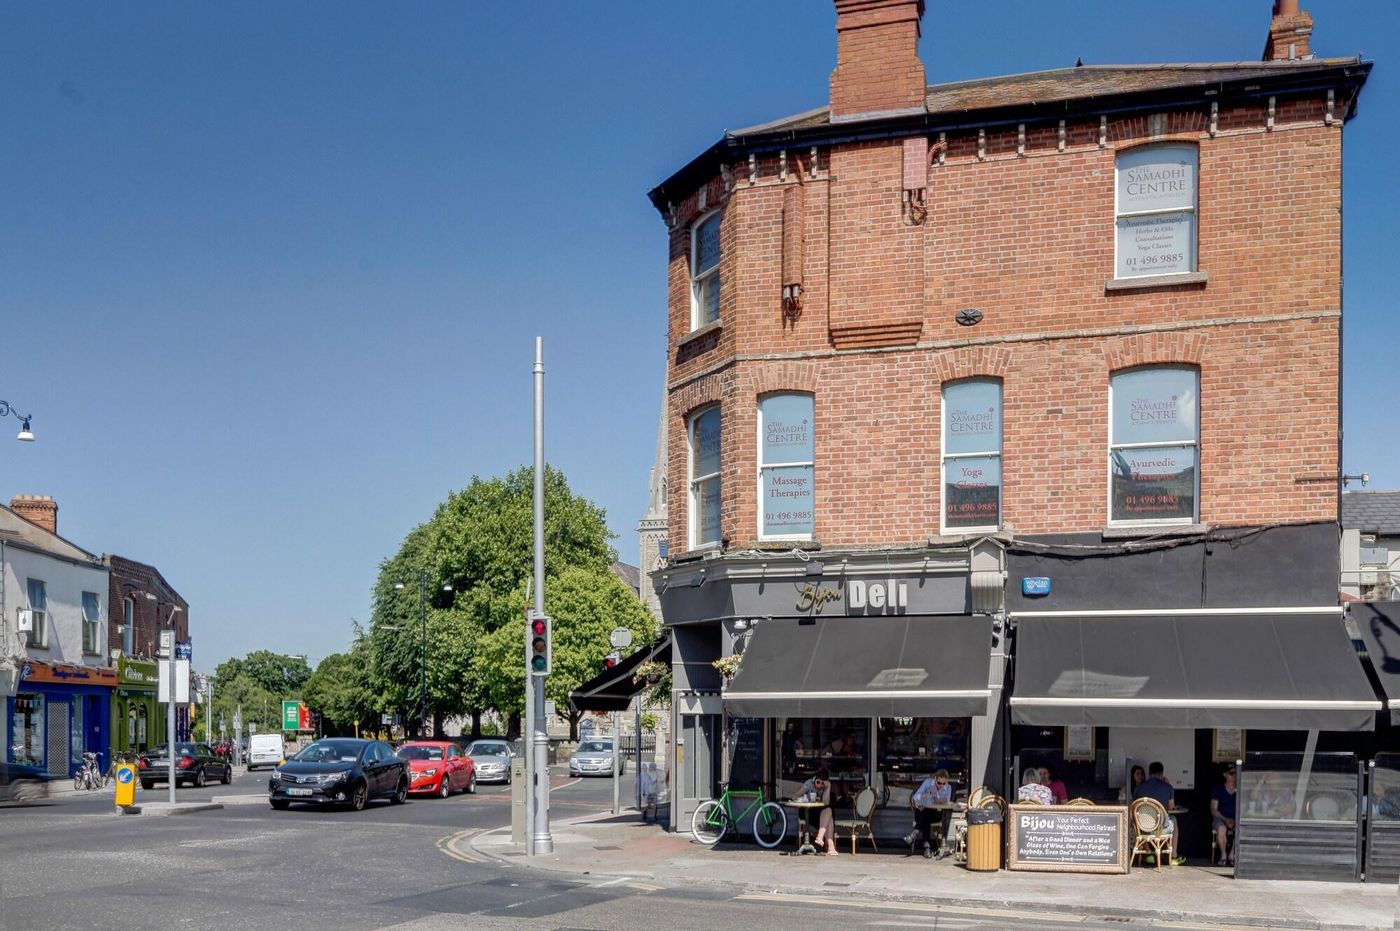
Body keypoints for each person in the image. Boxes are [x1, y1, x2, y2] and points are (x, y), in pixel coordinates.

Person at [1133, 761, 1183, 864]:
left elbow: (1135, 807)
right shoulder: (1168, 788)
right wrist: (1168, 785)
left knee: (1138, 820)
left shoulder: (1139, 788)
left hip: (1143, 829)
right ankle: (1173, 855)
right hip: (1161, 830)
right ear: (1161, 773)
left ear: (1149, 773)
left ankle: (1148, 854)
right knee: (1174, 820)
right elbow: (1171, 807)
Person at [903, 769, 953, 858]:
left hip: (936, 813)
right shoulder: (928, 783)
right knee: (924, 813)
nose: (941, 785)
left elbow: (946, 803)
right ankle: (926, 849)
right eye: (939, 783)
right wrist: (927, 793)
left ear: (946, 782)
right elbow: (915, 797)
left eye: (943, 783)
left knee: (925, 815)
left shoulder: (948, 788)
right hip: (922, 811)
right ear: (935, 778)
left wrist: (938, 800)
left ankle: (915, 835)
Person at [800, 769, 839, 855]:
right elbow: (796, 795)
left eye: (822, 783)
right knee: (829, 816)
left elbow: (825, 803)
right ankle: (830, 846)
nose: (819, 785)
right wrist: (804, 797)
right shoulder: (809, 784)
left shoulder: (825, 788)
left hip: (820, 815)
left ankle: (820, 838)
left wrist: (828, 787)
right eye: (818, 782)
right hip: (807, 811)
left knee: (828, 811)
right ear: (814, 779)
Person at [1210, 768, 1237, 866]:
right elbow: (1213, 810)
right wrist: (1226, 819)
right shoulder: (1218, 789)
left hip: (1236, 819)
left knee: (1240, 828)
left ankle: (1232, 854)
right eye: (1231, 773)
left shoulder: (1240, 789)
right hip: (1221, 818)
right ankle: (1223, 854)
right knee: (1221, 829)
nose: (1234, 775)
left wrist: (1234, 820)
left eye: (1236, 773)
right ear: (1225, 775)